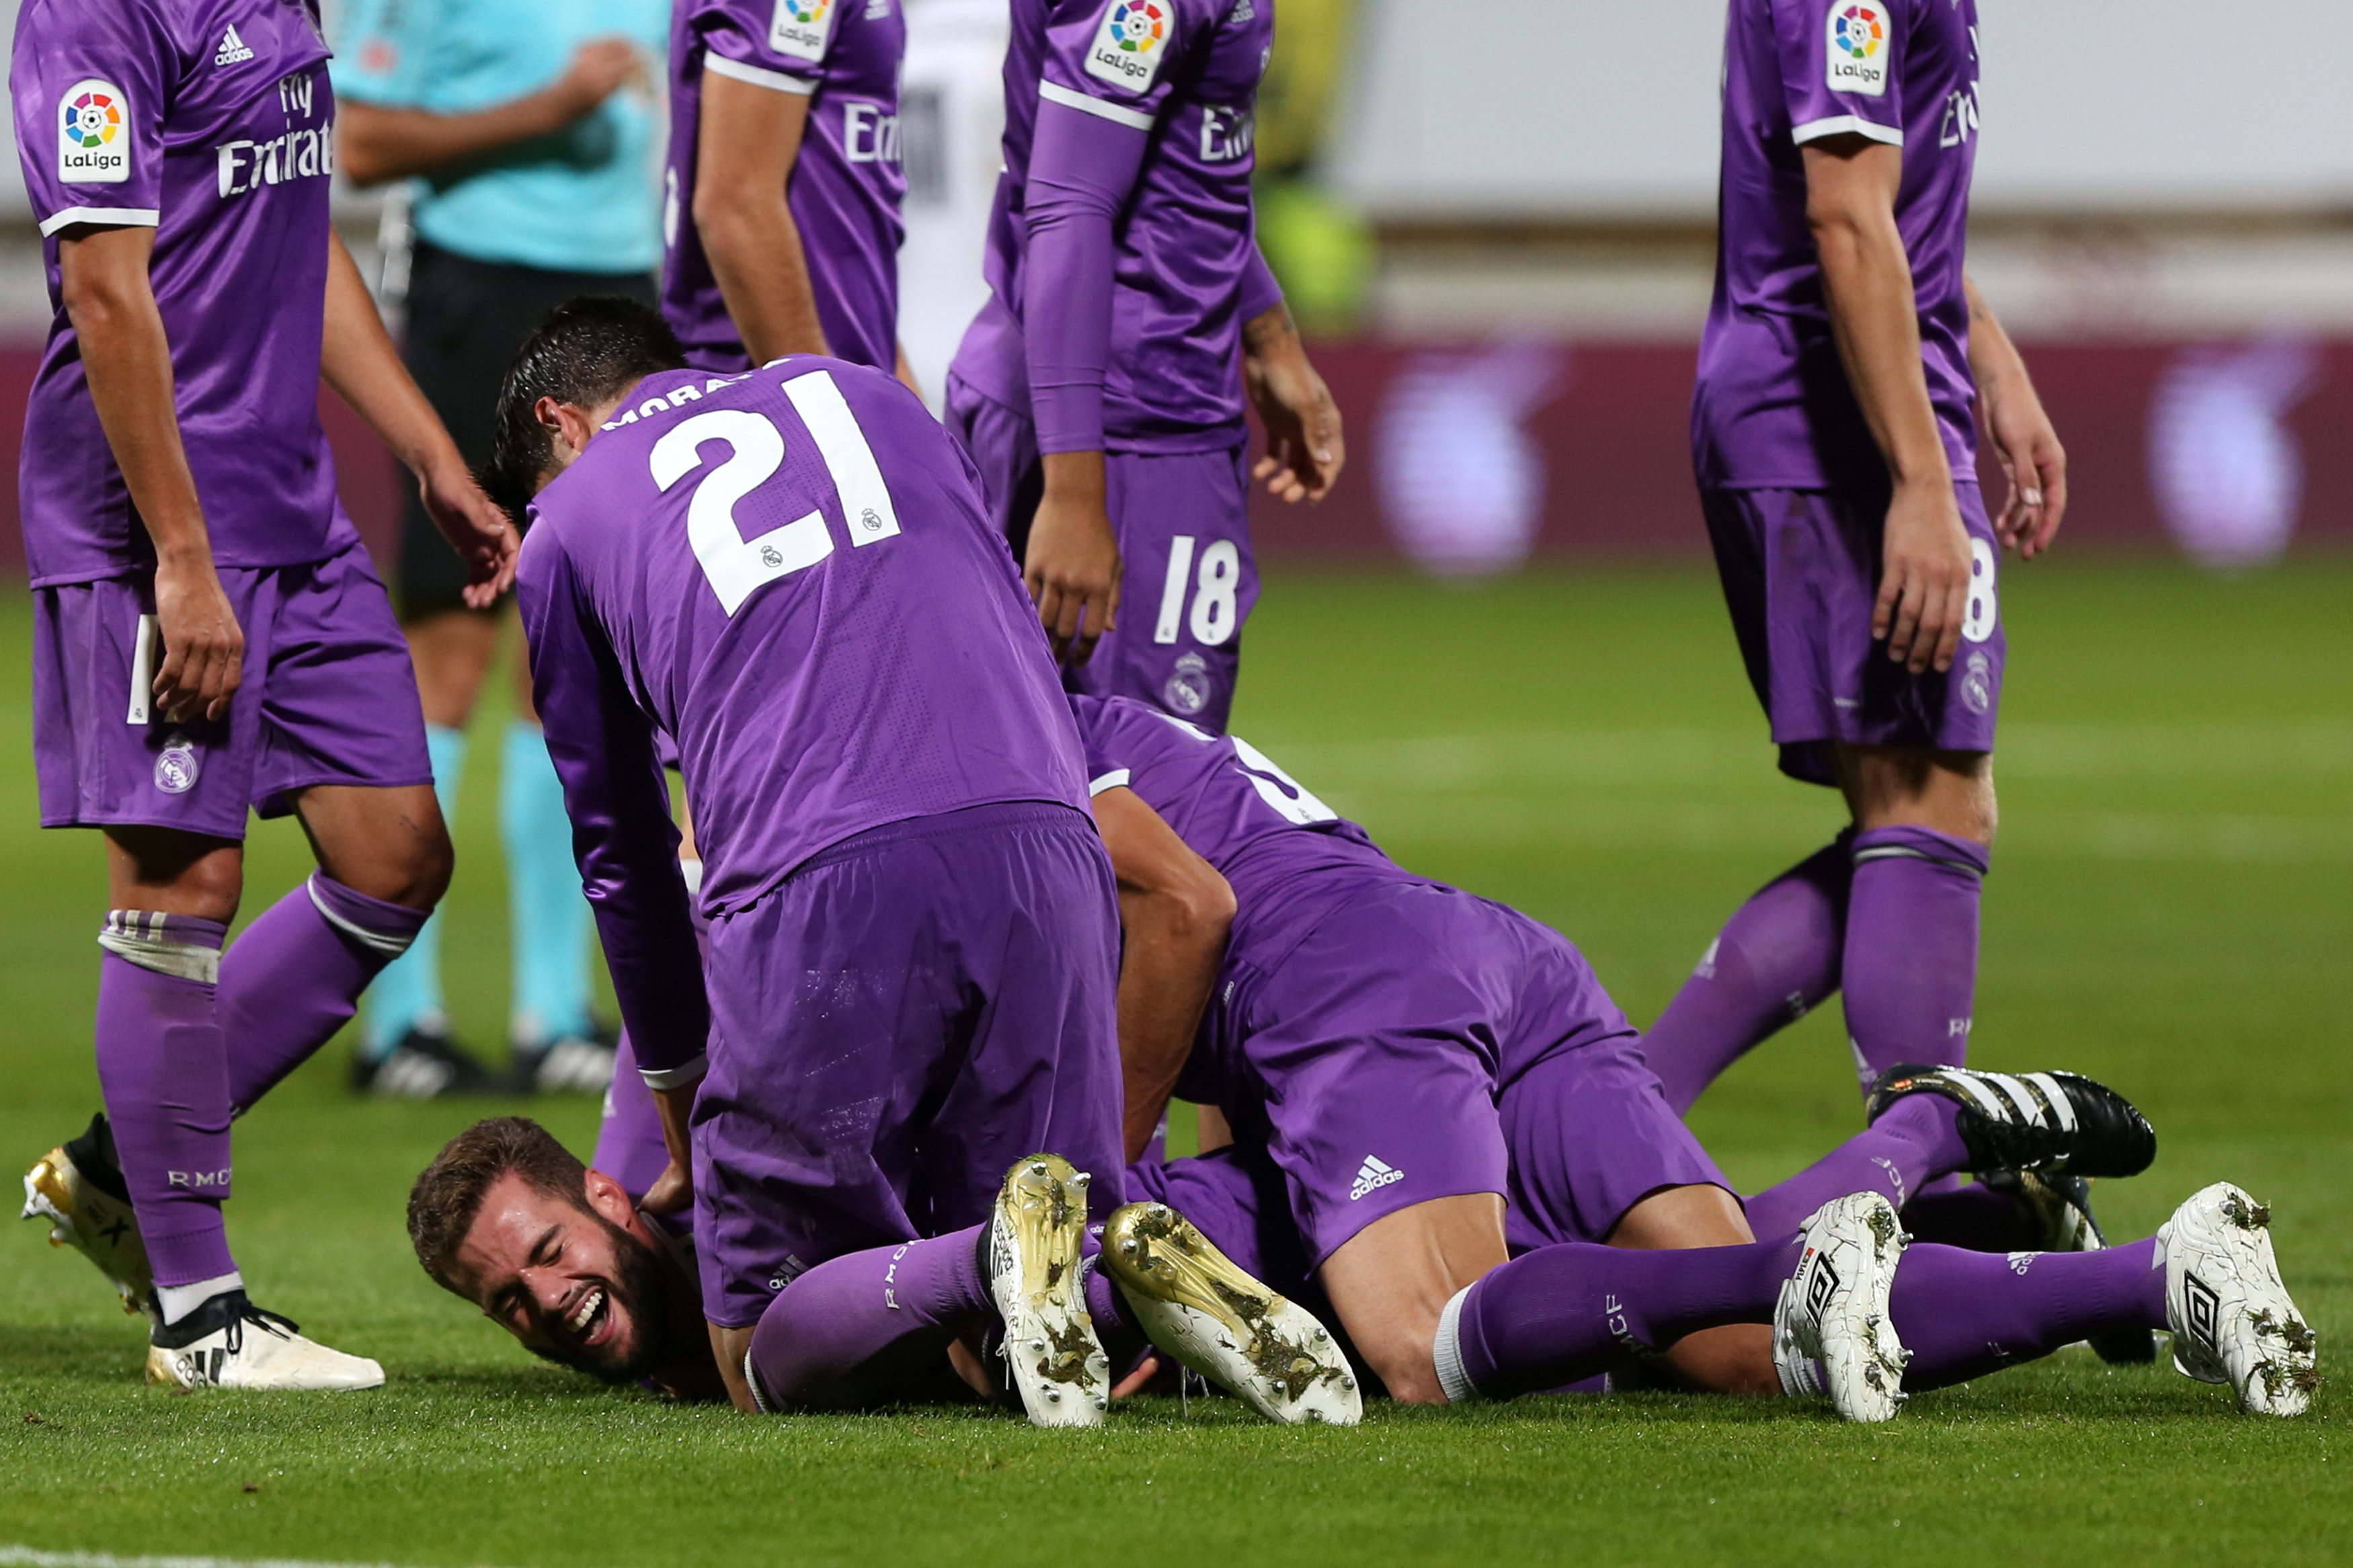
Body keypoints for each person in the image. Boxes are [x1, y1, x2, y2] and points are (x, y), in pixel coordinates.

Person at [1072, 696, 2317, 1417]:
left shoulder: (1011, 736)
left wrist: (1123, 1178)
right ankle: (2161, 1269)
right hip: (1472, 951)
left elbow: (1189, 913)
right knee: (1741, 1343)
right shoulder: (1089, 709)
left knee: (1430, 1344)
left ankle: (1912, 1151)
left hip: (1348, 988)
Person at [485, 296, 1123, 1417]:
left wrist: (678, 1098)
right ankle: (1131, 1277)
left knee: (761, 1352)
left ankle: (987, 1254)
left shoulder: (569, 522)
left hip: (820, 878)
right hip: (1052, 842)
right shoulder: (874, 392)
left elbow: (623, 851)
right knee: (1015, 1340)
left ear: (564, 427)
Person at [11, 0, 515, 1387]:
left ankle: (120, 1168)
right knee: (182, 881)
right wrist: (179, 559)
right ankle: (201, 1312)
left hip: (294, 504)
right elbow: (107, 291)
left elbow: (299, 239)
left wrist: (426, 454)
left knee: (396, 852)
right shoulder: (89, 16)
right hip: (152, 522)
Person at [1645, 3, 2067, 1205]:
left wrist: (1990, 357)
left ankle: (1616, 1110)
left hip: (1836, 401)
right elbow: (1839, 211)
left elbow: (1892, 194)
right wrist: (1922, 485)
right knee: (1931, 800)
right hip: (1825, 416)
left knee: (1913, 810)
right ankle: (1913, 1185)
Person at [331, 0, 670, 1097]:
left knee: (571, 658)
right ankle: (400, 1023)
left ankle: (555, 1013)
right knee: (453, 643)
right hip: (480, 288)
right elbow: (361, 139)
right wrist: (546, 111)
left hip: (621, 294)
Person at [403, 1116, 1357, 1424]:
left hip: (1247, 1201)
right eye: (508, 1304)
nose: (546, 1301)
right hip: (1203, 1251)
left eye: (546, 1253)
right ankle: (1125, 1294)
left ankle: (1006, 1257)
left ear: (610, 1199)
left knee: (767, 1365)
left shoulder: (720, 1182)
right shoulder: (661, 1341)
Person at [945, 0, 1344, 732]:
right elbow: (1070, 204)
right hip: (1127, 420)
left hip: (1079, 392)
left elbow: (1182, 168)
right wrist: (1072, 494)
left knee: (1026, 769)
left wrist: (1267, 332)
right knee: (1152, 774)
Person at [662, 0, 910, 378]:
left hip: (852, 366)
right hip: (764, 389)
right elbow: (736, 205)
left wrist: (895, 381)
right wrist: (826, 407)